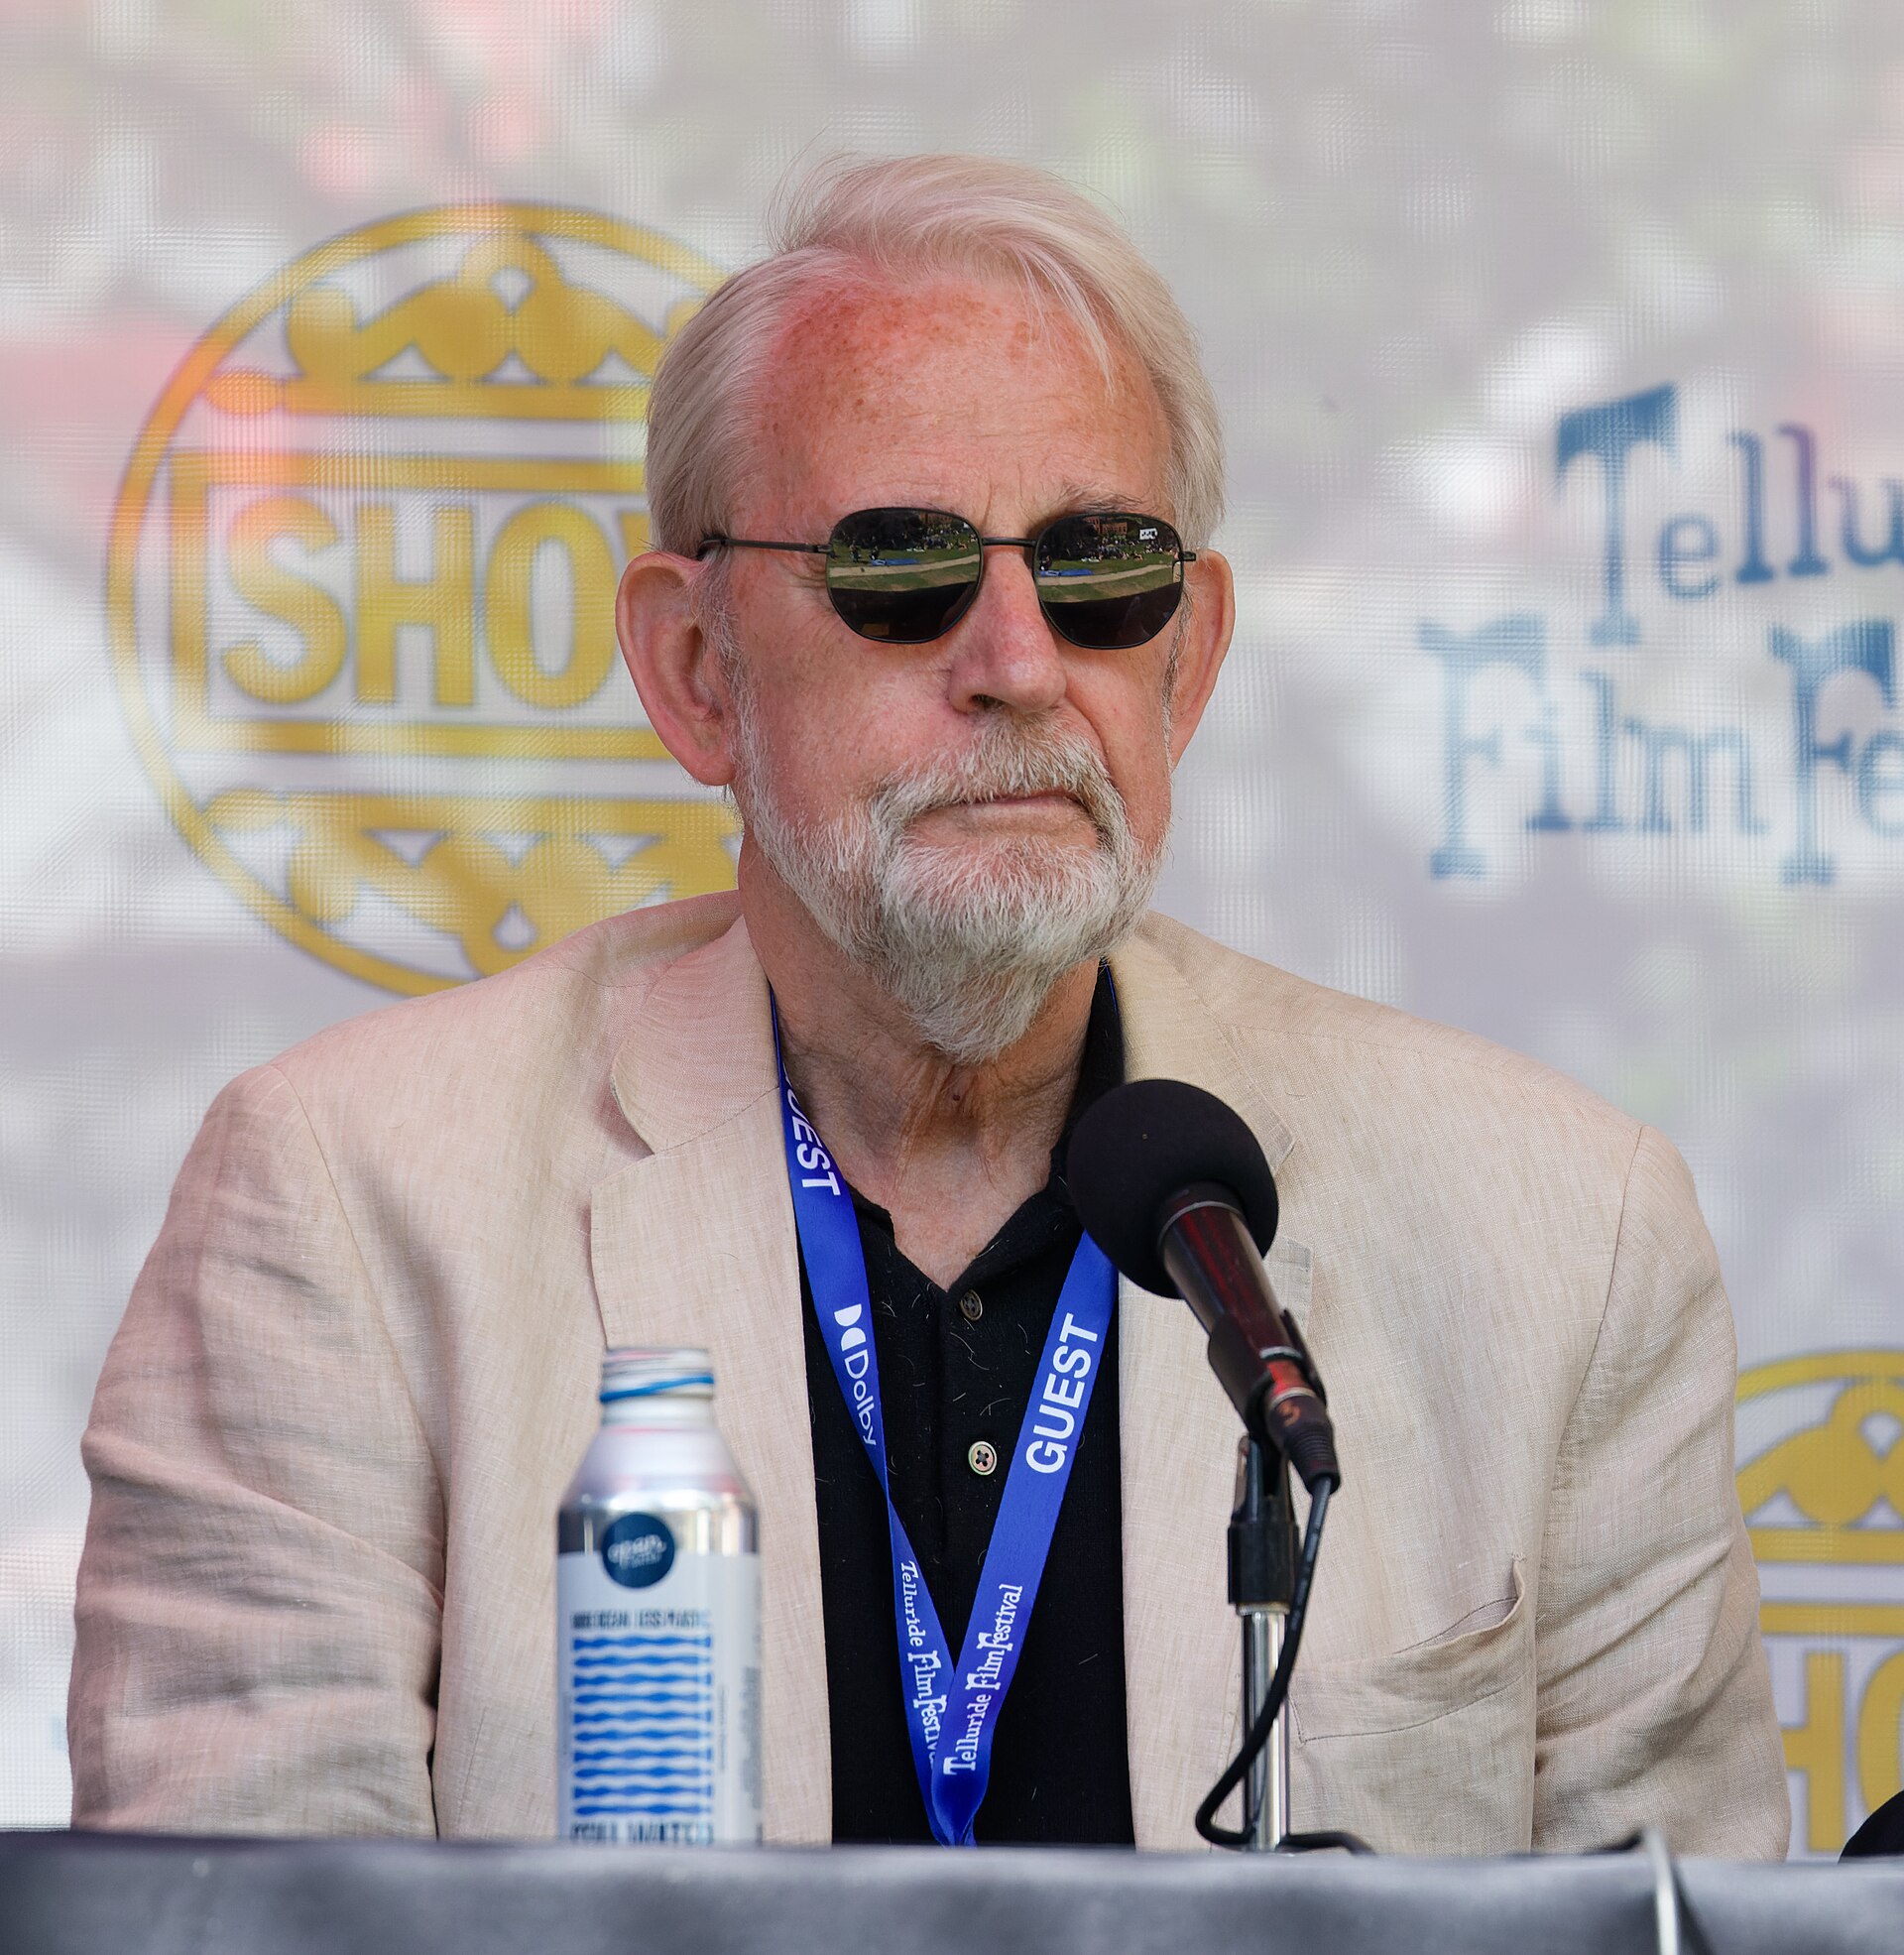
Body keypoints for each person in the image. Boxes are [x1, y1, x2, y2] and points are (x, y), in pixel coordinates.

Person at [67, 153, 1789, 1856]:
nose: (1021, 662)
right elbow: (242, 1916)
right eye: (904, 569)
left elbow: (1670, 1922)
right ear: (695, 671)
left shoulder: (1566, 1233)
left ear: (1186, 661)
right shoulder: (354, 1204)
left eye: (1101, 566)